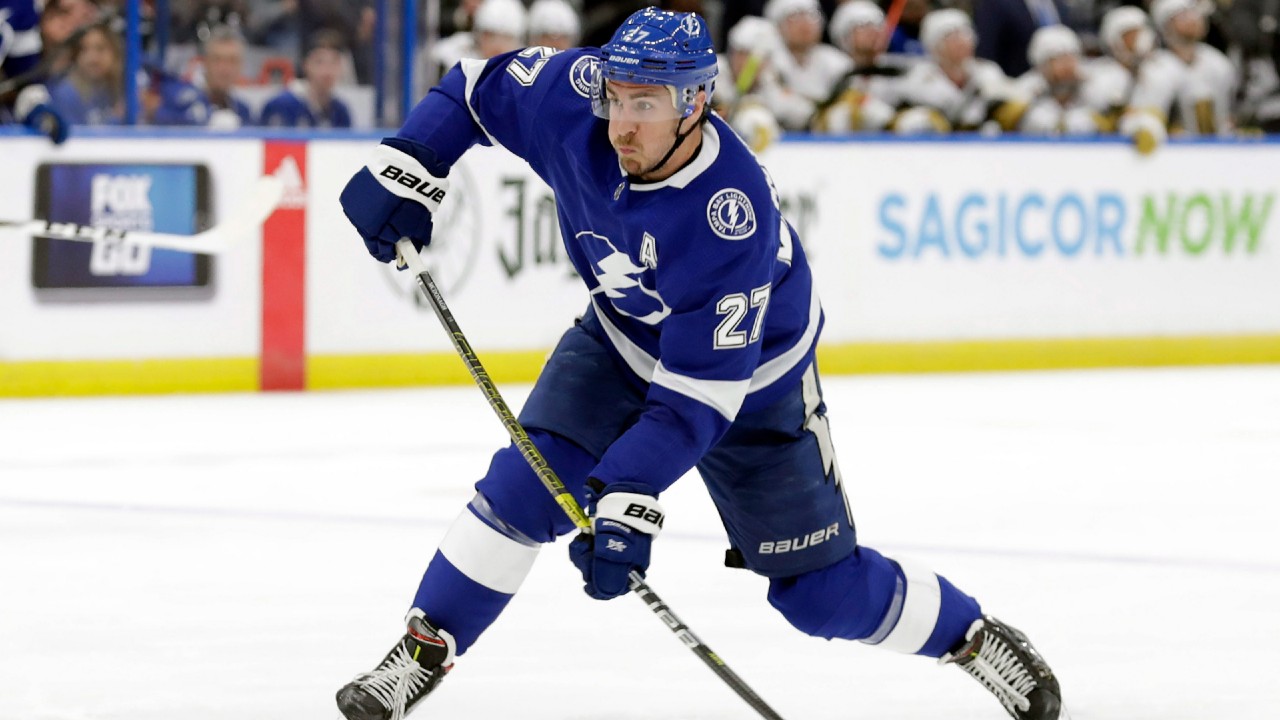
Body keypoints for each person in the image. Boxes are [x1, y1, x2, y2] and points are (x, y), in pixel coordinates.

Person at [335, 8, 1063, 720]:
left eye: (645, 104)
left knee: (819, 595)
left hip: (752, 385)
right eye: (617, 97)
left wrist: (628, 490)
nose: (620, 124)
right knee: (522, 491)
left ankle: (969, 637)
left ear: (697, 102)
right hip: (620, 343)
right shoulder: (575, 96)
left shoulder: (729, 213)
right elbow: (471, 87)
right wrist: (410, 160)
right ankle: (422, 652)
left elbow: (694, 401)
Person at [893, 9, 1019, 133]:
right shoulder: (919, 77)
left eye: (966, 34)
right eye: (953, 36)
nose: (963, 41)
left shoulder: (988, 72)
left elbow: (1011, 102)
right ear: (935, 45)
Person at [813, 0, 912, 133]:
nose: (873, 32)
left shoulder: (899, 69)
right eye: (864, 26)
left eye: (877, 26)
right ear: (844, 35)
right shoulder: (831, 68)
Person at [1147, 0, 1237, 135]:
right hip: (1171, 150)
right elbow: (1147, 121)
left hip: (1217, 149)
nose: (1194, 19)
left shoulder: (1218, 62)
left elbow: (1227, 115)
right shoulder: (1156, 67)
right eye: (1184, 15)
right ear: (1166, 25)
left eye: (1195, 13)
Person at [763, 0, 852, 129]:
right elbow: (775, 104)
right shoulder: (767, 60)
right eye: (795, 17)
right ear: (778, 26)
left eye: (811, 16)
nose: (805, 24)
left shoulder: (838, 61)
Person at [1010, 25, 1106, 135]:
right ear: (1042, 64)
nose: (1067, 66)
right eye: (1059, 59)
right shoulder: (1023, 91)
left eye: (1071, 58)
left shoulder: (1091, 88)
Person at [259, 27, 351, 128]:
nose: (327, 70)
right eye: (319, 62)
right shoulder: (282, 105)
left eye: (334, 62)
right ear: (305, 64)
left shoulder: (341, 110)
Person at [45, 21, 123, 125]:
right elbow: (77, 138)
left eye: (100, 48)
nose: (91, 58)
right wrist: (116, 119)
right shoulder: (66, 94)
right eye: (84, 50)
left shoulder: (123, 88)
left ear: (115, 52)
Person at [198, 25, 253, 128]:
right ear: (205, 63)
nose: (225, 69)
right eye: (217, 60)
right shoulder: (184, 109)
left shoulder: (243, 111)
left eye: (232, 61)